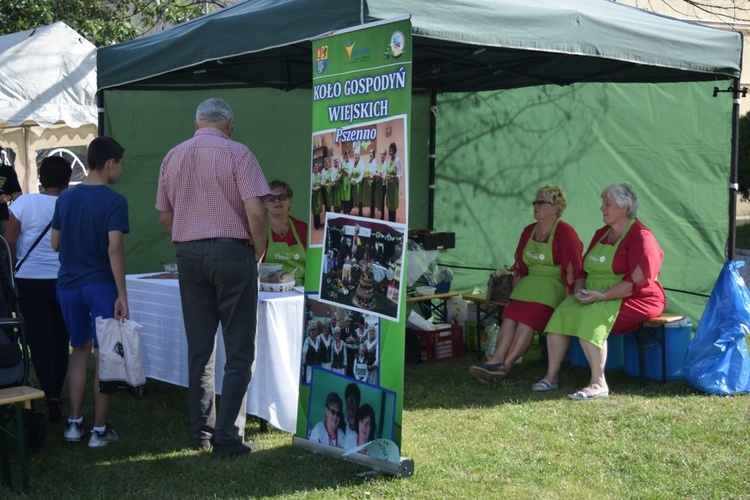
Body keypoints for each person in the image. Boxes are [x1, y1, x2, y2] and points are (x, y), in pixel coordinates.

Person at [155, 98, 270, 458]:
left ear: (196, 124)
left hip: (188, 254)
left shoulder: (172, 156)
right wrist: (259, 249)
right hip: (232, 250)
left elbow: (163, 217)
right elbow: (255, 210)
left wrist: (187, 237)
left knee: (200, 348)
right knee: (239, 348)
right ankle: (227, 437)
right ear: (229, 125)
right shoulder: (238, 153)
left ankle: (202, 431)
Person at [538, 183, 666, 400]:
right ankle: (551, 377)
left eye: (607, 204)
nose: (602, 208)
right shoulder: (601, 234)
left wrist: (603, 296)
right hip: (596, 294)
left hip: (637, 297)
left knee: (591, 316)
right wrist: (579, 290)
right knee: (562, 313)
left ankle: (598, 383)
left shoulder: (641, 236)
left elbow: (638, 280)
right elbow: (583, 269)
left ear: (624, 208)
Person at [51, 137, 129, 447]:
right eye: (121, 165)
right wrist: (122, 294)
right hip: (100, 285)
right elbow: (115, 249)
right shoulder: (114, 201)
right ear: (110, 163)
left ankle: (74, 424)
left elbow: (55, 244)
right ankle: (99, 430)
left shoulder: (65, 199)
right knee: (104, 355)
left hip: (69, 285)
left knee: (79, 352)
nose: (121, 171)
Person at [470, 185, 583, 383]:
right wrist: (514, 296)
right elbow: (520, 267)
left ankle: (506, 365)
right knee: (510, 317)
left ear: (555, 208)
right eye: (535, 202)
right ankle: (496, 359)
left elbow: (573, 268)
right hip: (527, 285)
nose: (535, 206)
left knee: (526, 321)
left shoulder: (565, 233)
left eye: (541, 202)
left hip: (552, 286)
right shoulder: (529, 231)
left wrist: (569, 300)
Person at [6, 156, 72, 422]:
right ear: (67, 180)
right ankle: (56, 391)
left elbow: (10, 241)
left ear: (40, 179)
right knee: (61, 338)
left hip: (29, 279)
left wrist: (10, 273)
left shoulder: (24, 202)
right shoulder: (71, 204)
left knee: (39, 340)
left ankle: (50, 393)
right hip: (63, 278)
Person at [262, 180, 307, 286]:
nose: (277, 201)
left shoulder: (302, 228)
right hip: (267, 289)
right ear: (265, 204)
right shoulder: (259, 229)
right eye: (271, 198)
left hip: (300, 290)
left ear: (290, 201)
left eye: (282, 197)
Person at [0, 147, 23, 237]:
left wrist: (9, 197)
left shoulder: (7, 171)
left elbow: (19, 193)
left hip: (2, 216)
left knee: (5, 243)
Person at [384, 142, 402, 222]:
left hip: (394, 186)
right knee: (389, 203)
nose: (390, 152)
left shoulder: (397, 160)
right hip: (389, 186)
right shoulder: (389, 160)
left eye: (392, 150)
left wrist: (393, 176)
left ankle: (393, 220)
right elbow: (386, 171)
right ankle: (389, 220)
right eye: (389, 150)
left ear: (395, 151)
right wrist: (386, 176)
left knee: (393, 204)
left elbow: (400, 174)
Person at [342, 383, 360, 449]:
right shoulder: (339, 420)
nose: (351, 403)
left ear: (358, 402)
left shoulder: (363, 425)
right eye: (348, 399)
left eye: (353, 399)